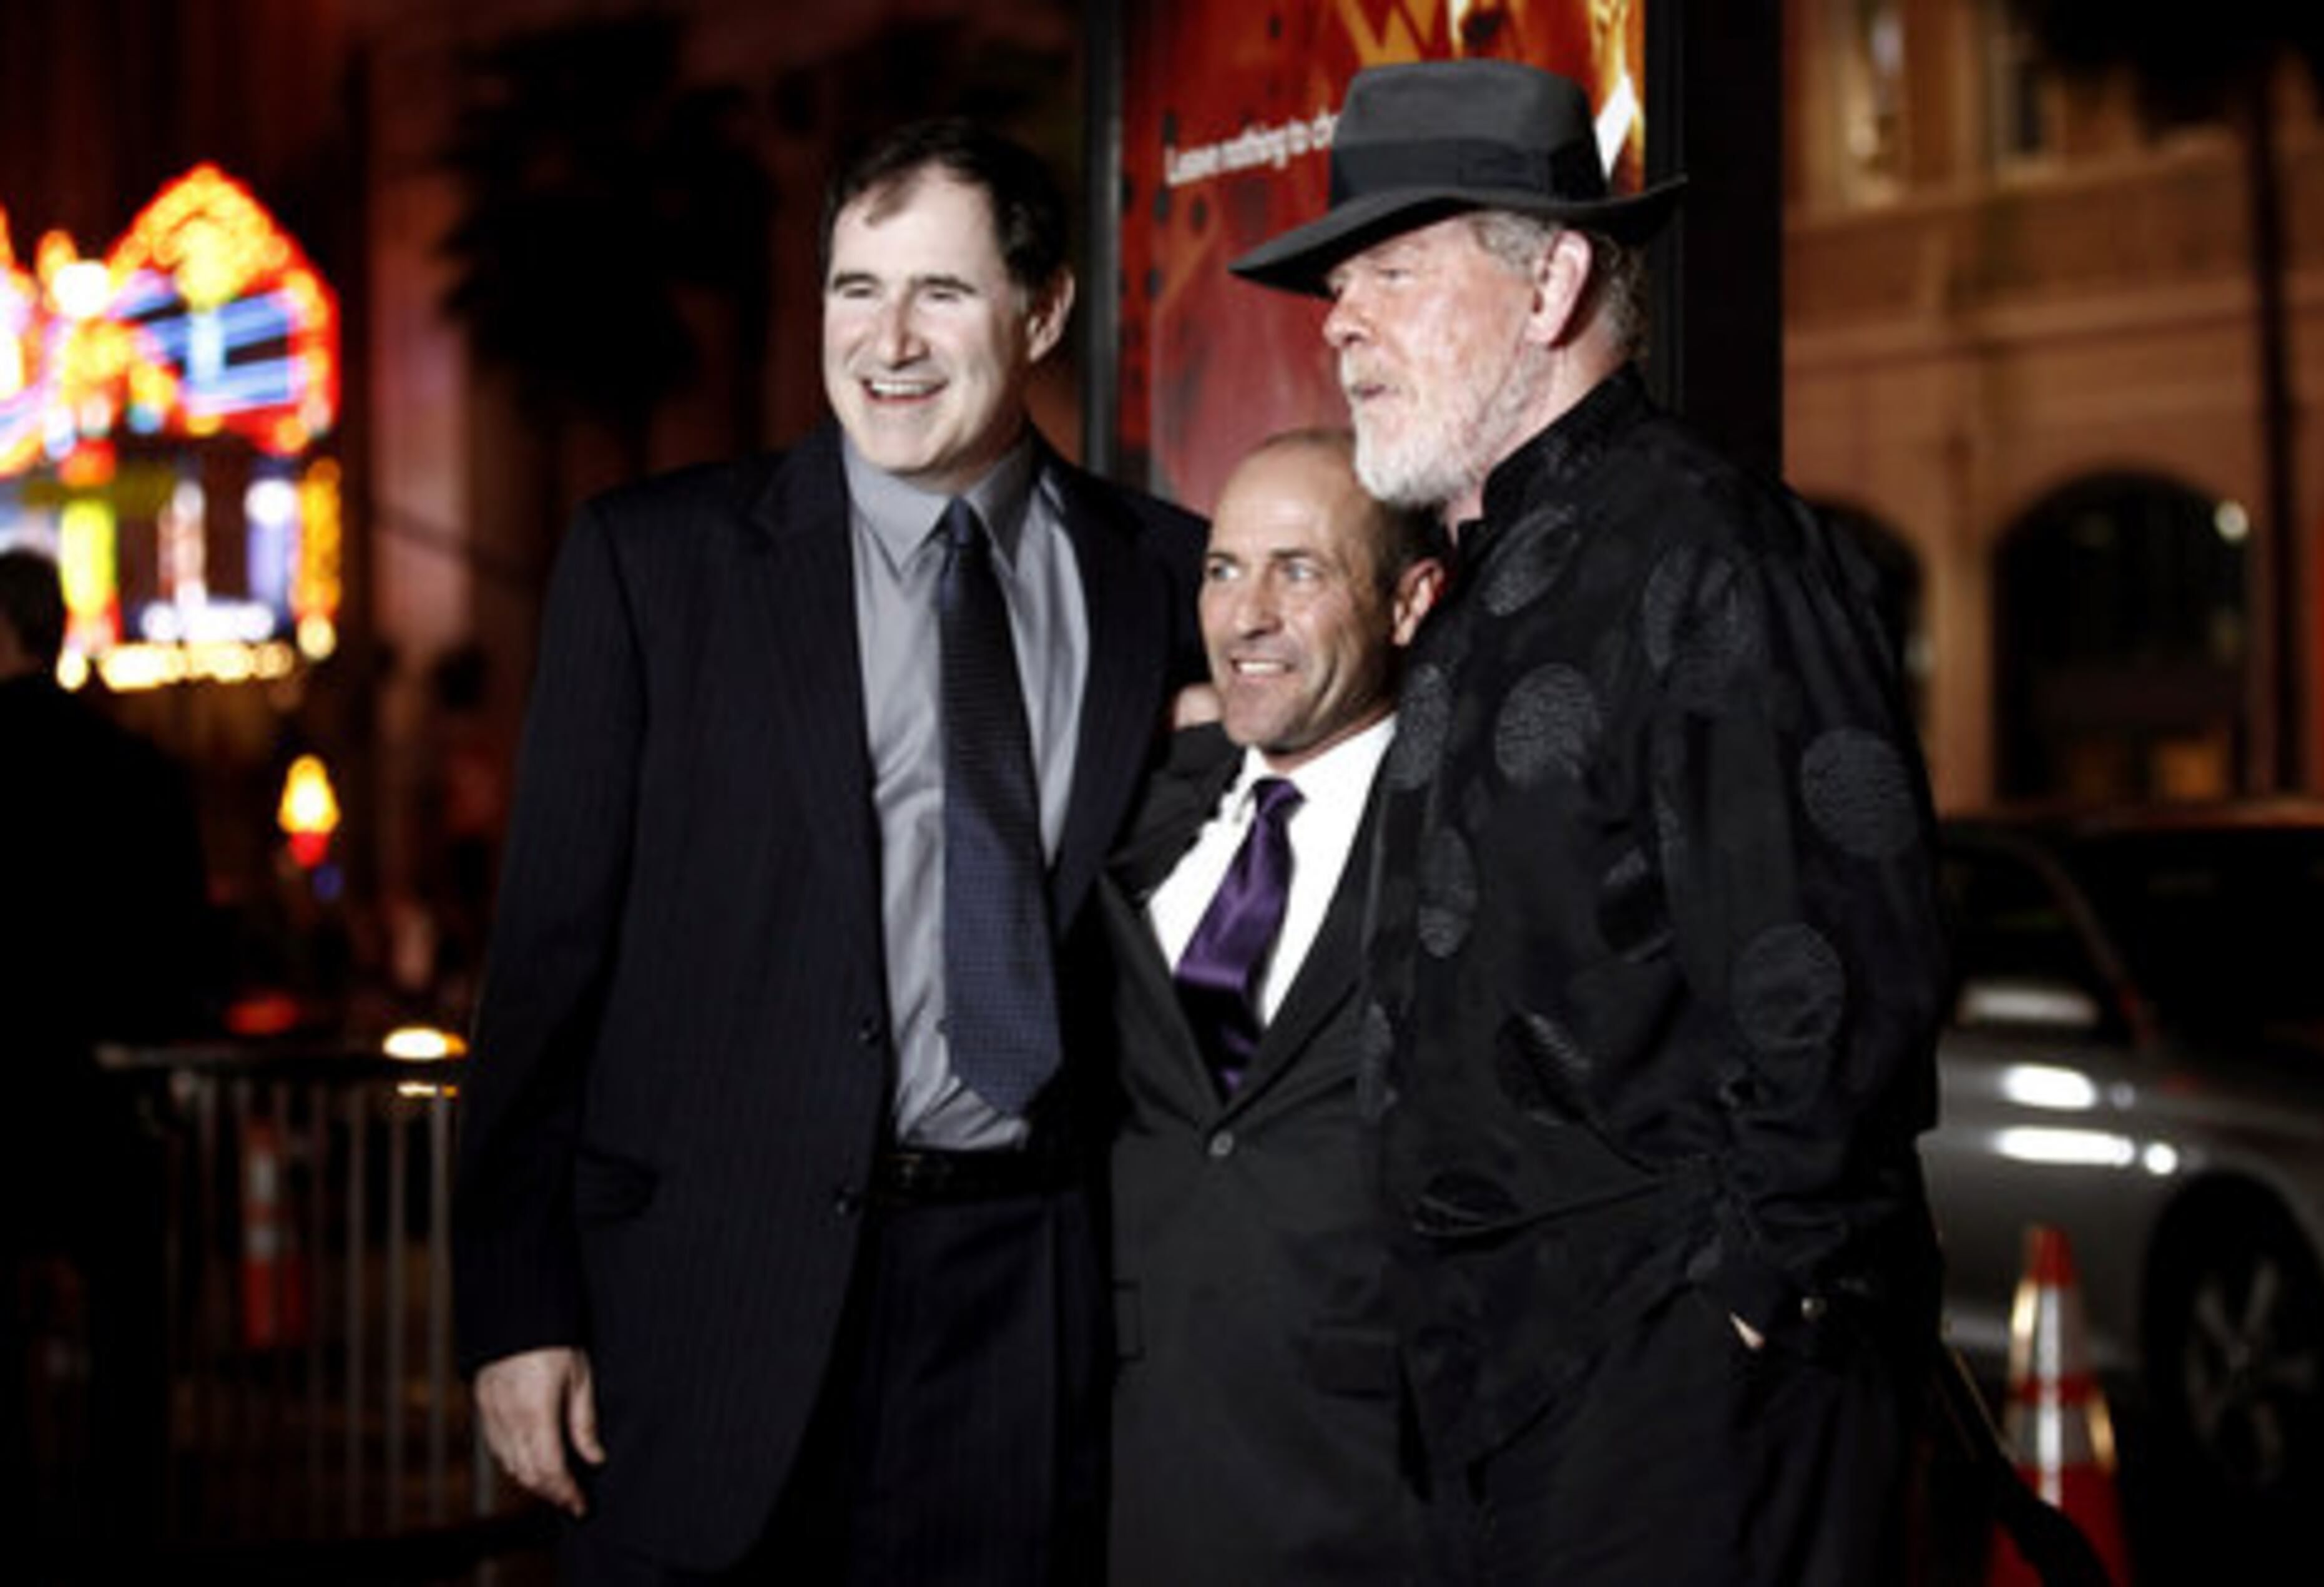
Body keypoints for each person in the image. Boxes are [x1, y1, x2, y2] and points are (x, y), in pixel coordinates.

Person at [453, 119, 1204, 1585]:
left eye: (941, 291)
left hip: (1023, 1301)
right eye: (856, 290)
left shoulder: (1167, 579)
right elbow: (546, 957)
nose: (891, 340)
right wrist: (514, 1302)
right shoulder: (657, 565)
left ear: (1043, 311)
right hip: (708, 1302)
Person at [1231, 60, 1948, 1584]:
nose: (1340, 319)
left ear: (1553, 279)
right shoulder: (1481, 574)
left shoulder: (1710, 547)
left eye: (1391, 272)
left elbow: (1841, 989)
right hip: (1503, 1405)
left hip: (1686, 1416)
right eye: (1336, 282)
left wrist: (1736, 1317)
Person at [1099, 431, 1444, 1586]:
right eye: (1223, 569)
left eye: (1298, 571)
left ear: (1410, 602)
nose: (1245, 613)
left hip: (1373, 1495)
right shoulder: (1138, 811)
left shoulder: (1467, 841)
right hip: (1133, 1475)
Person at [0, 545, 210, 1545]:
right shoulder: (136, 767)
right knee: (130, 1341)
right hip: (114, 1089)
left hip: (6, 1091)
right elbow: (184, 940)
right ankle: (134, 1530)